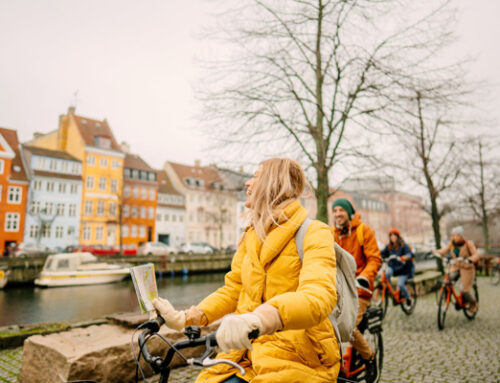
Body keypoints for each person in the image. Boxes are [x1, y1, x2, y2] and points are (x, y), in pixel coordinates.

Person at [152, 158, 340, 383]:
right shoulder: (252, 235)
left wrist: (261, 318)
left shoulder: (315, 232)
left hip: (298, 355)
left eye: (256, 177)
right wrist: (185, 318)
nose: (247, 184)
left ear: (274, 183)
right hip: (245, 353)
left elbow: (319, 297)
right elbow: (234, 290)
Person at [331, 198, 381, 371]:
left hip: (360, 290)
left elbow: (374, 259)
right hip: (339, 289)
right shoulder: (332, 234)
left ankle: (369, 356)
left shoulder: (364, 231)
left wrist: (365, 277)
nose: (337, 214)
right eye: (335, 210)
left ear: (349, 212)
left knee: (348, 326)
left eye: (341, 210)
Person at [434, 226, 479, 312]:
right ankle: (444, 298)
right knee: (447, 282)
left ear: (462, 236)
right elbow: (443, 251)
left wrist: (470, 259)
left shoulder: (468, 244)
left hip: (467, 267)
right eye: (453, 235)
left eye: (457, 235)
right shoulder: (452, 244)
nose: (455, 237)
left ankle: (473, 303)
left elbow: (476, 255)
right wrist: (433, 252)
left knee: (463, 289)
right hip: (456, 266)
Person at [380, 228, 415, 305]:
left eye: (394, 235)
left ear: (398, 237)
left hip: (404, 269)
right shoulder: (389, 246)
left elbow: (410, 254)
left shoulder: (403, 245)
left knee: (400, 284)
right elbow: (382, 253)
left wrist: (404, 257)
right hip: (393, 268)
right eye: (391, 236)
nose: (393, 237)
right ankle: (391, 291)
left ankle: (408, 298)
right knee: (387, 273)